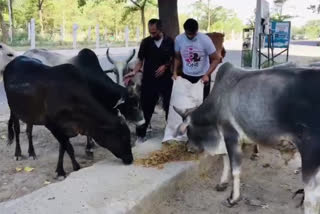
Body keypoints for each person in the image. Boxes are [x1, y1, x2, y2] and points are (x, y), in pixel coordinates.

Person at [125, 19, 175, 144]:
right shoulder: (146, 42)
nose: (152, 35)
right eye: (150, 32)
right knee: (145, 108)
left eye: (154, 32)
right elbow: (140, 60)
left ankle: (169, 134)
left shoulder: (169, 41)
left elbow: (172, 58)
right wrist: (135, 71)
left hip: (165, 80)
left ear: (160, 29)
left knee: (168, 106)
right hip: (149, 80)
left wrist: (165, 66)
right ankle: (141, 136)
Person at [173, 18, 222, 99]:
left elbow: (216, 59)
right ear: (184, 30)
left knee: (203, 103)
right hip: (186, 76)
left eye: (193, 34)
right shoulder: (179, 39)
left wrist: (207, 74)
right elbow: (177, 58)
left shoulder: (205, 40)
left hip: (203, 76)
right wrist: (174, 72)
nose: (190, 36)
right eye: (188, 34)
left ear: (197, 31)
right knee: (187, 102)